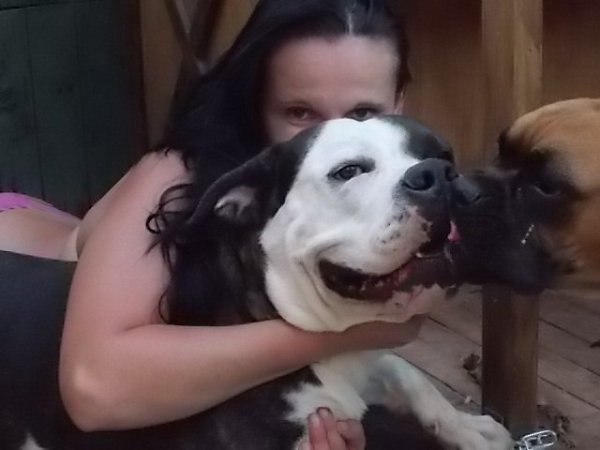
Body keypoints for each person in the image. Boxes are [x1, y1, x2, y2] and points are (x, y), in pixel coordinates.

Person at [0, 0, 420, 448]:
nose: (337, 143)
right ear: (256, 104)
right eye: (300, 113)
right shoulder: (181, 177)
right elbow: (93, 387)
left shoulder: (401, 190)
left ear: (400, 105)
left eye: (363, 114)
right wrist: (344, 334)